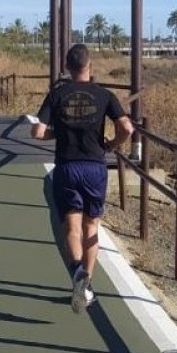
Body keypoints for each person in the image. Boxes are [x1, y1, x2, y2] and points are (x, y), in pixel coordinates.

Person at [31, 44, 134, 313]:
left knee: (72, 228)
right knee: (92, 228)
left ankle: (77, 273)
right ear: (90, 66)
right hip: (95, 167)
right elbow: (127, 127)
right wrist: (111, 145)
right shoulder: (104, 94)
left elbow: (37, 132)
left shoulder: (58, 94)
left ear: (67, 66)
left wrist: (59, 134)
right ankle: (86, 285)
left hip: (67, 167)